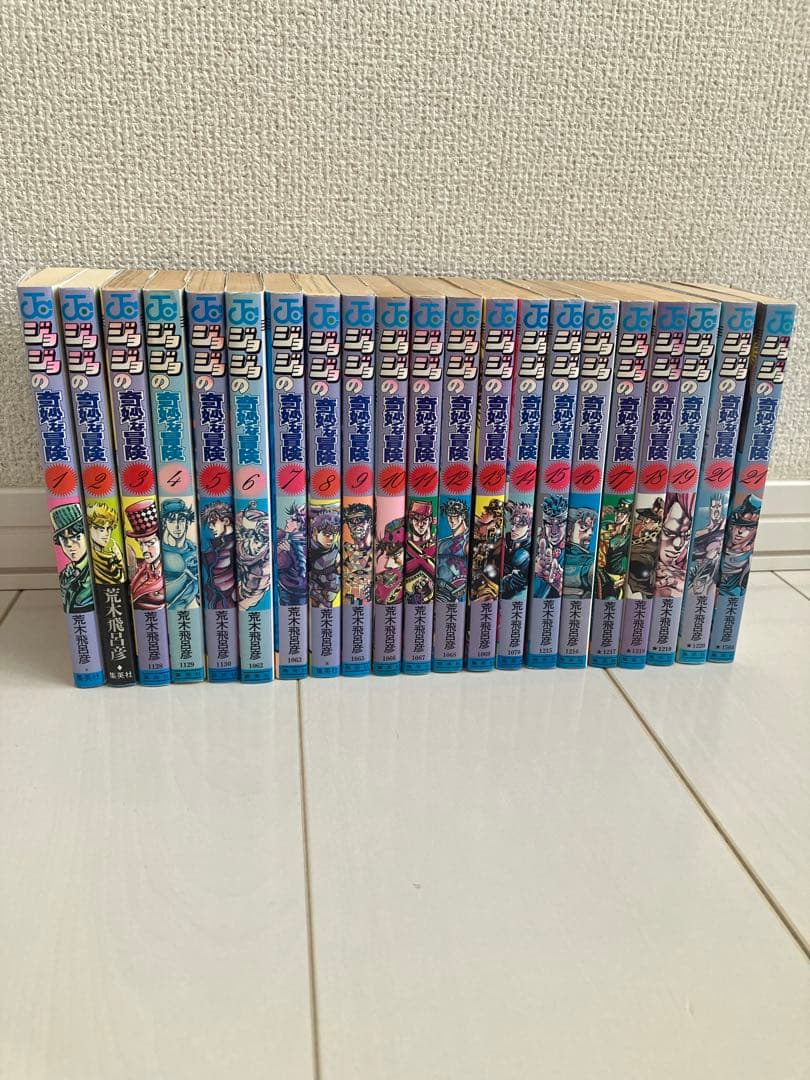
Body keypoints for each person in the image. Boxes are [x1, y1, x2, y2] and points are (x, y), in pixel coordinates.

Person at [51, 503, 94, 613]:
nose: (69, 544)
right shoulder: (65, 574)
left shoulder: (96, 571)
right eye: (64, 539)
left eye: (76, 537)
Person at [124, 499, 165, 610]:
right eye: (141, 544)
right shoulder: (140, 567)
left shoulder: (171, 569)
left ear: (161, 540)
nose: (145, 550)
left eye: (150, 543)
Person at [160, 499, 199, 609]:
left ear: (187, 522)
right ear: (165, 523)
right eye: (172, 521)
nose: (177, 526)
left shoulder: (194, 548)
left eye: (181, 520)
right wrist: (185, 577)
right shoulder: (162, 552)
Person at [199, 501, 236, 608]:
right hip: (216, 603)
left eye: (213, 522)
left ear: (226, 521)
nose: (210, 527)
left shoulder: (237, 547)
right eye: (209, 524)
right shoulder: (213, 550)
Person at [436, 499, 469, 603]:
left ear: (462, 516)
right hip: (440, 593)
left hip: (460, 594)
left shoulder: (468, 541)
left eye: (455, 516)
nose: (452, 520)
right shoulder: (442, 543)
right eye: (449, 516)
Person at [86, 504, 126, 585]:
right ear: (89, 529)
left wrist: (119, 559)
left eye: (109, 528)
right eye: (100, 529)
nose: (106, 534)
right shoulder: (90, 557)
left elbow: (121, 576)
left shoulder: (112, 556)